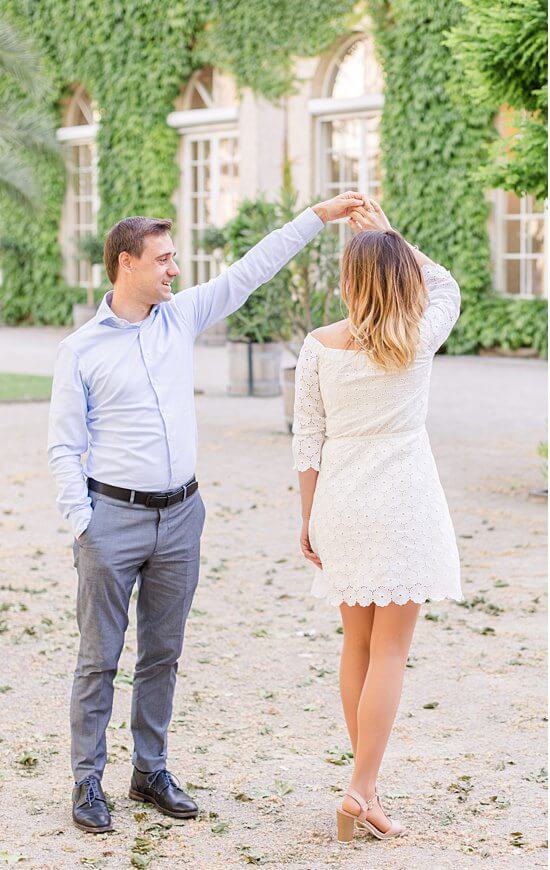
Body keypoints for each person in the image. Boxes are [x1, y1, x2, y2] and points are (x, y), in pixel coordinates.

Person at [48, 191, 364, 833]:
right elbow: (63, 445)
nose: (174, 270)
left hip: (181, 517)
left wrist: (319, 217)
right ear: (124, 262)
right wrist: (83, 523)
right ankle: (87, 783)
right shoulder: (79, 350)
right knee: (99, 658)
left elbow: (252, 268)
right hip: (110, 519)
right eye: (163, 260)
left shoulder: (181, 318)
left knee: (162, 653)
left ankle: (149, 771)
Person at [291, 196, 463, 842]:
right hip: (403, 502)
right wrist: (391, 231)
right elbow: (445, 284)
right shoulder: (417, 338)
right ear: (397, 279)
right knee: (391, 649)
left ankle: (367, 787)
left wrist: (307, 518)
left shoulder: (318, 347)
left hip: (341, 502)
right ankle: (361, 789)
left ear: (348, 282)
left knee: (357, 645)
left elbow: (307, 438)